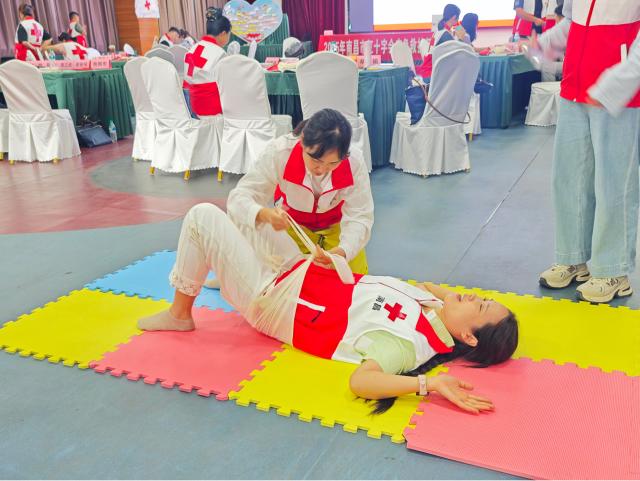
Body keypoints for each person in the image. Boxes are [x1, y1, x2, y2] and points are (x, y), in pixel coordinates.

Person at [137, 201, 519, 414]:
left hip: (272, 301)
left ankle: (180, 314)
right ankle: (224, 270)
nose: (472, 296)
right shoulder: (434, 307)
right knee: (259, 213)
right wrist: (455, 302)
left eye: (481, 305)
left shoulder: (407, 345)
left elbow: (362, 382)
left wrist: (428, 383)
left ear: (468, 335)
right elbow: (433, 289)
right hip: (297, 273)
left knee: (202, 216)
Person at [535, 0, 640, 303]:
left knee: (614, 183)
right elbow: (572, 23)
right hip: (575, 85)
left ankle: (613, 271)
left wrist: (618, 83)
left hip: (618, 92)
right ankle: (572, 258)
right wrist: (544, 45)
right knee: (569, 177)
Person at [225, 109, 373, 275]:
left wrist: (344, 250)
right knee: (284, 280)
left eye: (332, 163)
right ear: (302, 141)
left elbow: (360, 214)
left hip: (337, 228)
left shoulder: (354, 163)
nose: (322, 169)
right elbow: (239, 197)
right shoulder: (279, 153)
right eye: (316, 160)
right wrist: (264, 214)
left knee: (352, 281)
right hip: (292, 226)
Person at [183, 8, 230, 117]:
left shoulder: (191, 49)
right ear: (223, 33)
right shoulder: (220, 53)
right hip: (211, 110)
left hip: (191, 107)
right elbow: (226, 85)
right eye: (229, 35)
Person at [416, 4, 460, 79]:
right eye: (458, 17)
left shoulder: (441, 30)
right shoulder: (445, 34)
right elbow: (459, 49)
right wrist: (458, 27)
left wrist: (457, 26)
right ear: (454, 17)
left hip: (430, 71)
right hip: (432, 74)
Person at [540, 5, 564, 82]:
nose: (555, 19)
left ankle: (549, 89)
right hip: (567, 62)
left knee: (546, 67)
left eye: (556, 17)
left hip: (573, 65)